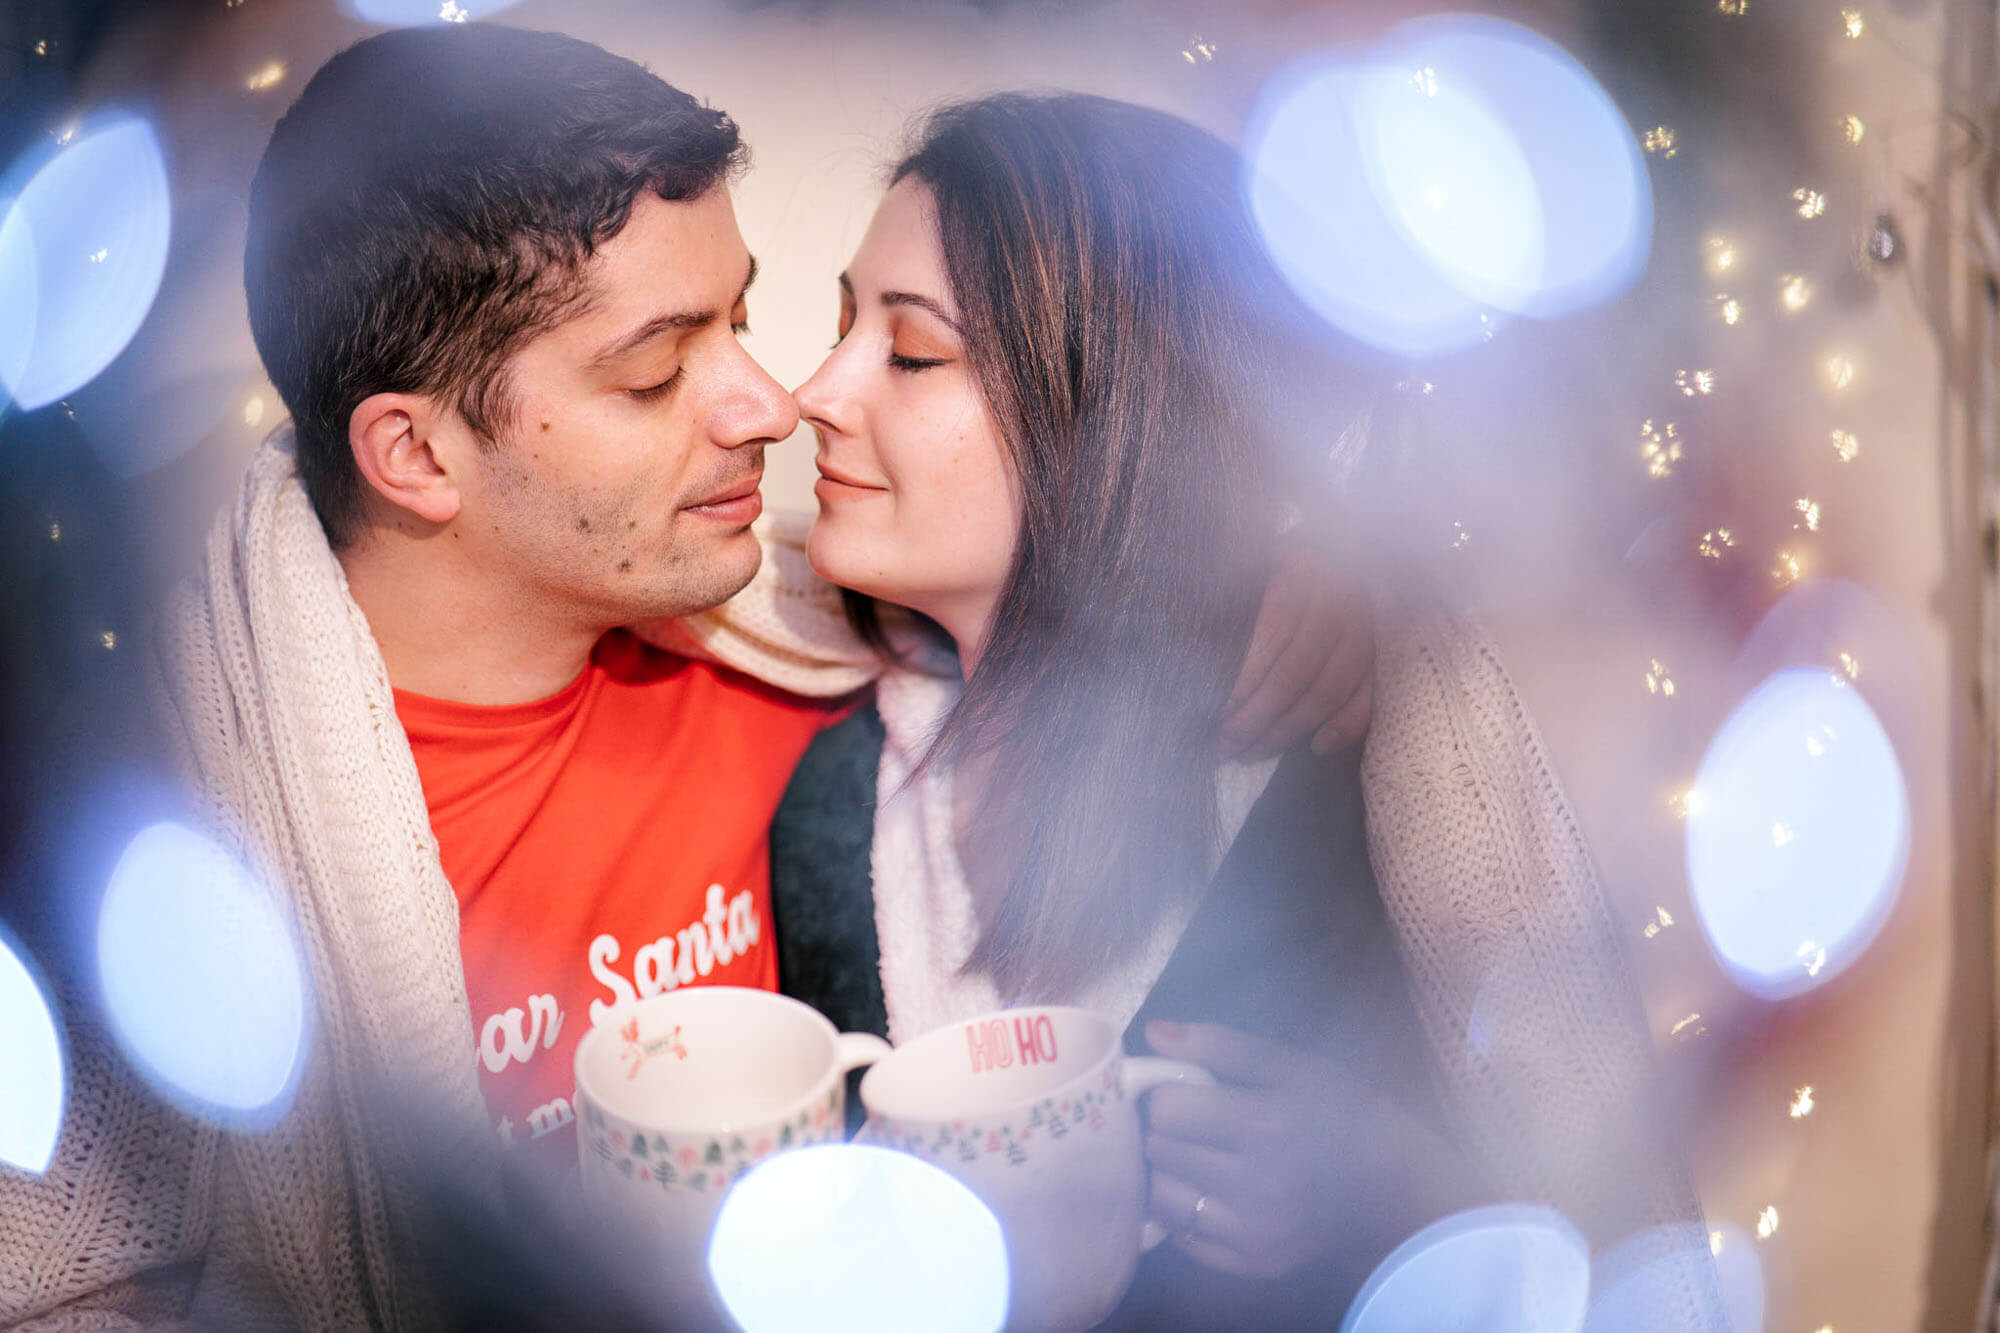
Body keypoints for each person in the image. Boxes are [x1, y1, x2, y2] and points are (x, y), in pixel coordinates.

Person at [0, 27, 1365, 1330]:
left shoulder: (794, 651)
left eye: (743, 318)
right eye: (657, 372)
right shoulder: (178, 855)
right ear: (415, 457)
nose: (772, 403)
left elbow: (1087, 522)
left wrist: (1270, 574)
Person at [768, 92, 1732, 1327]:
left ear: (1110, 418)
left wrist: (1393, 1194)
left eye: (908, 353)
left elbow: (1605, 1219)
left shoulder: (1354, 780)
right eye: (841, 326)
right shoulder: (826, 794)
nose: (812, 392)